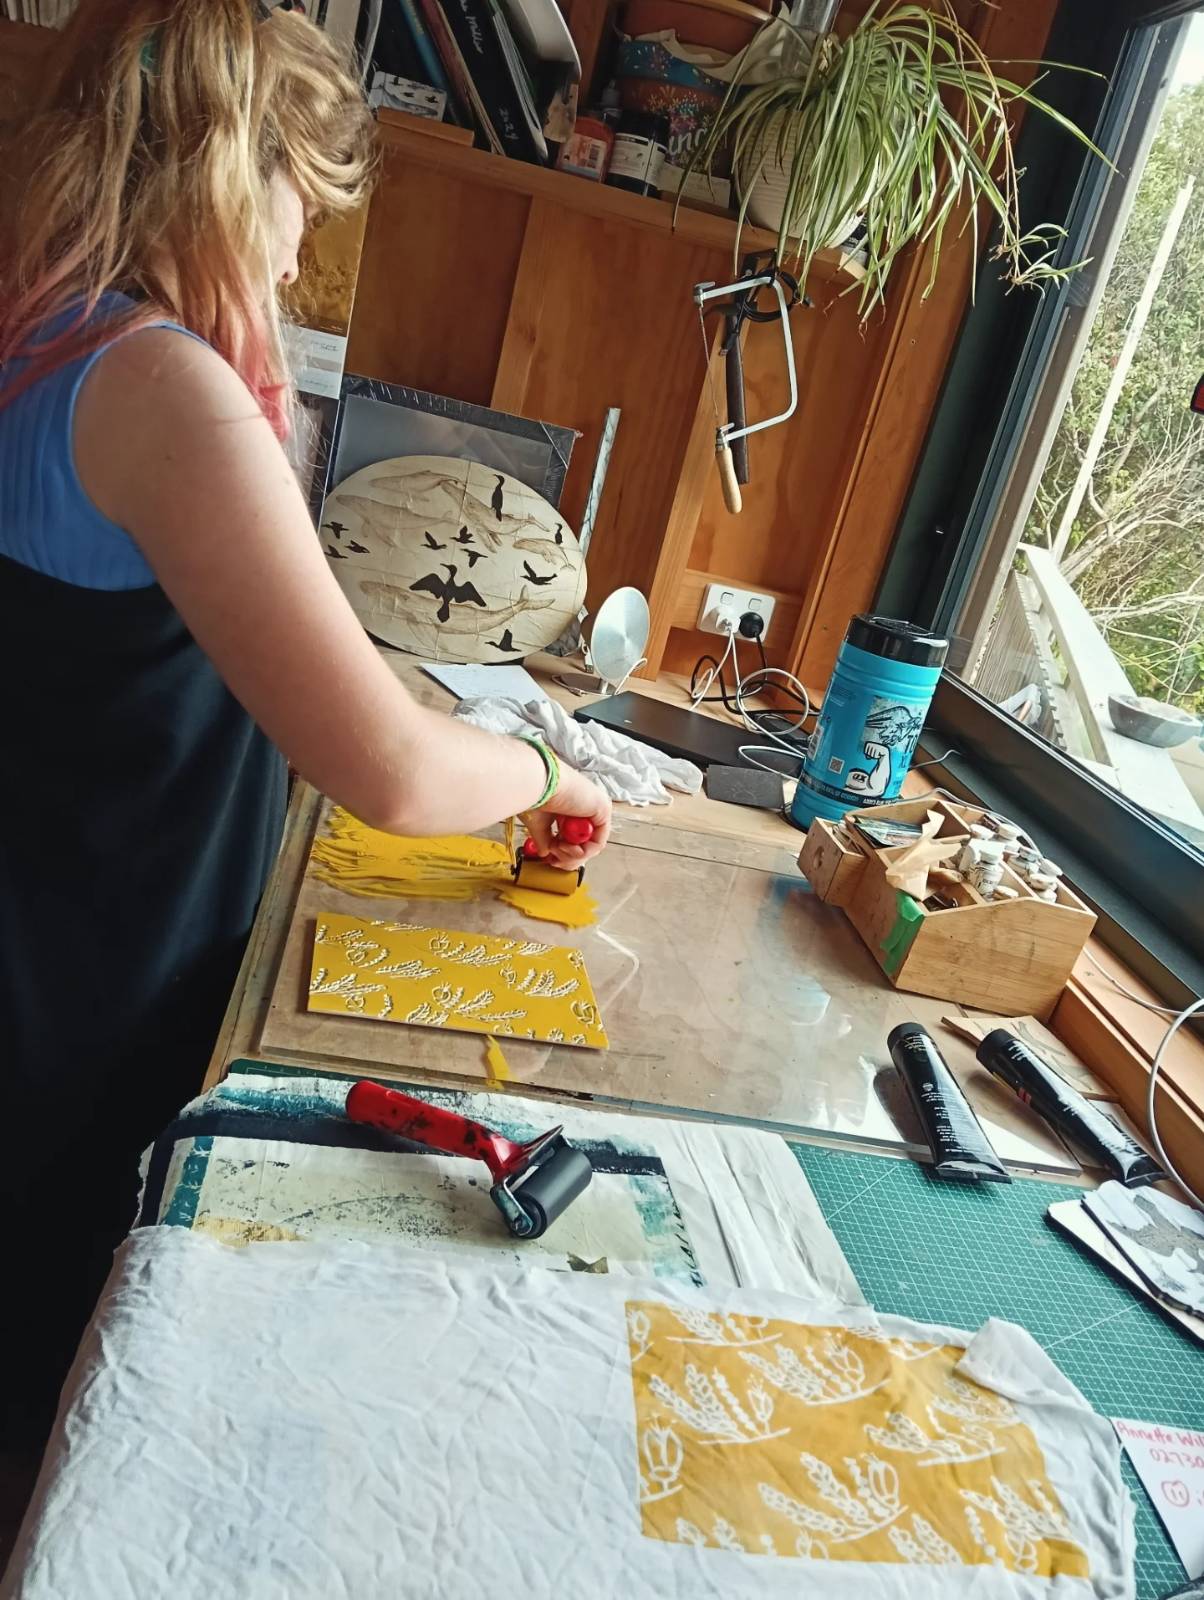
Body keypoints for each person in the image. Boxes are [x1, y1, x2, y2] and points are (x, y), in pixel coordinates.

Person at [0, 0, 610, 1447]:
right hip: (82, 1006)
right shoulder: (162, 388)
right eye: (297, 206)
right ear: (230, 169)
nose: (293, 251)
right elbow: (387, 769)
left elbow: (271, 658)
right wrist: (544, 768)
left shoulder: (46, 335)